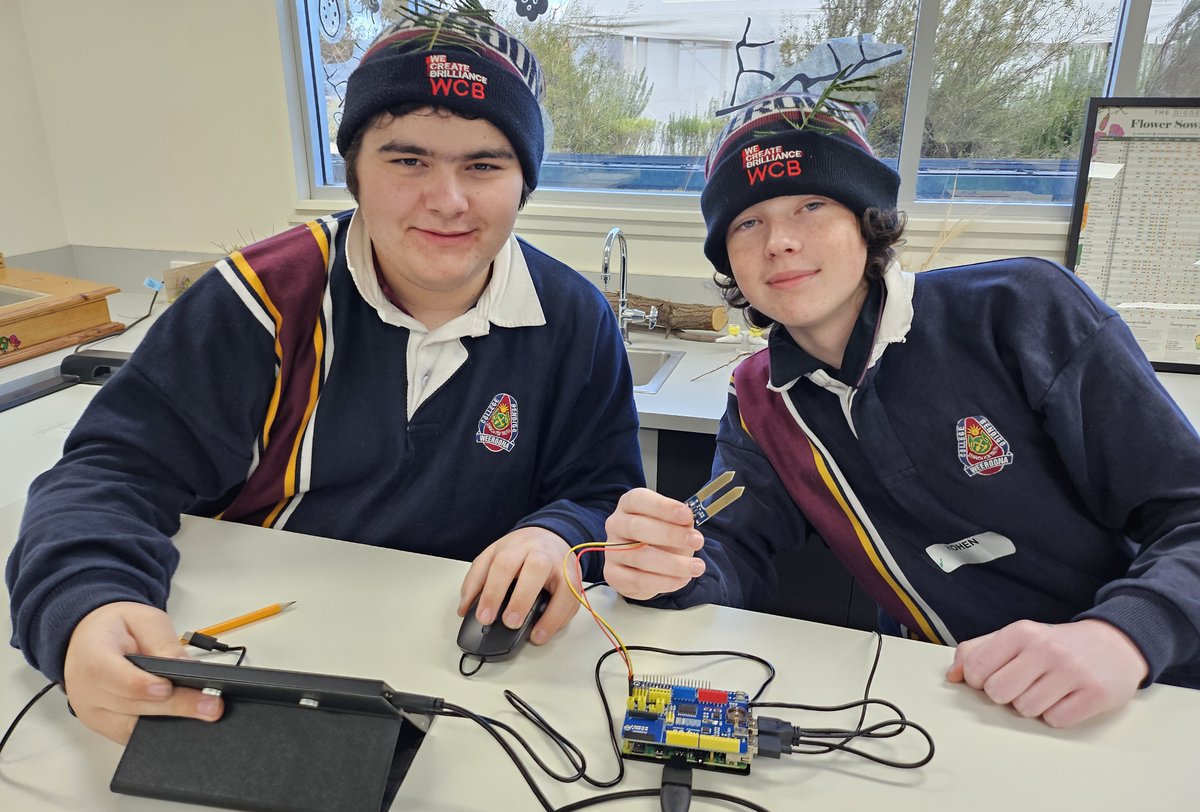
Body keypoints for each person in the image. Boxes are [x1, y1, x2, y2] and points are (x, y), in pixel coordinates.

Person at [7, 12, 643, 744]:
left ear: (523, 180)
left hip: (466, 686)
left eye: (484, 165)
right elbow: (109, 472)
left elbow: (603, 497)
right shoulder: (259, 298)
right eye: (406, 162)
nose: (447, 200)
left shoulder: (573, 320)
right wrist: (86, 604)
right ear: (355, 172)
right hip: (247, 666)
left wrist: (556, 534)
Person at [603, 81, 1200, 728]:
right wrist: (670, 568)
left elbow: (1188, 509)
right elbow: (734, 556)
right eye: (748, 222)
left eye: (811, 205)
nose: (779, 241)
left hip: (1148, 696)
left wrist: (1124, 636)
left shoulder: (1021, 311)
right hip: (945, 702)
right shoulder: (760, 399)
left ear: (868, 222)